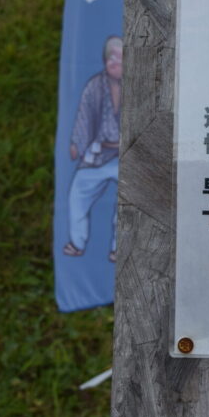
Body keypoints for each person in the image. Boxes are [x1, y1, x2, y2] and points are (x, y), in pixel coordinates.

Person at [64, 35, 122, 262]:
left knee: (132, 200)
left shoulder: (142, 85)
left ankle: (122, 247)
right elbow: (83, 118)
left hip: (129, 155)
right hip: (98, 153)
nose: (114, 62)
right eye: (111, 58)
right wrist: (76, 144)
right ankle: (77, 243)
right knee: (76, 196)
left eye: (120, 58)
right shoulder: (94, 86)